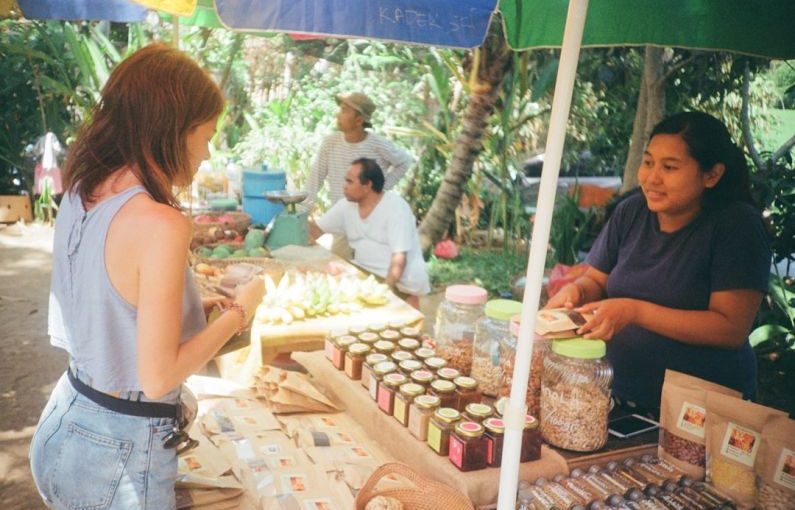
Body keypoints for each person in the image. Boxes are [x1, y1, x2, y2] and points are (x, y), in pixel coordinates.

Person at [29, 44, 264, 509]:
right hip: (117, 454)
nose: (207, 152)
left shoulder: (84, 188)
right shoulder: (162, 223)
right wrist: (242, 310)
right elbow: (158, 378)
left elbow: (110, 300)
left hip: (65, 418)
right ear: (173, 129)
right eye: (207, 134)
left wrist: (196, 307)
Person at [546, 111, 770, 414]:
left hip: (700, 411)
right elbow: (596, 280)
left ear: (712, 175)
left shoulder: (737, 226)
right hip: (620, 392)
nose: (652, 178)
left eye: (670, 167)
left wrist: (634, 311)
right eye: (648, 162)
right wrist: (578, 291)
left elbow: (730, 328)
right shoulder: (632, 211)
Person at [310, 158, 430, 309]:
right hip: (366, 276)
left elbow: (399, 258)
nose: (344, 186)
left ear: (367, 185)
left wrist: (386, 290)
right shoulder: (346, 206)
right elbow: (315, 230)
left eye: (349, 182)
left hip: (400, 285)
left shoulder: (396, 208)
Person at [304, 92, 412, 258]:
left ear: (359, 120)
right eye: (340, 110)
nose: (338, 115)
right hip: (340, 219)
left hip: (369, 221)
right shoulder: (331, 143)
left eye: (345, 111)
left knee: (366, 269)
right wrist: (304, 208)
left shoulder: (377, 145)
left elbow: (404, 161)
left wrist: (379, 189)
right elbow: (315, 178)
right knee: (338, 266)